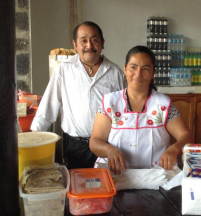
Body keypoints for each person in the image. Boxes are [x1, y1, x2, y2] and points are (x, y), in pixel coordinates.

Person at [31, 21, 124, 169]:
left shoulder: (115, 73)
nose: (89, 45)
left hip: (107, 146)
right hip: (75, 146)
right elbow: (48, 106)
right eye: (83, 41)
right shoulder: (64, 70)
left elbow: (124, 112)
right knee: (77, 186)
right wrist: (33, 137)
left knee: (108, 186)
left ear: (102, 43)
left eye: (94, 40)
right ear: (75, 45)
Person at [90, 45, 193, 175]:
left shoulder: (163, 104)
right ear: (125, 69)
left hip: (155, 177)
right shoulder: (110, 102)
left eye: (145, 69)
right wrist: (109, 150)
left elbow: (186, 136)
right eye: (133, 67)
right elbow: (95, 141)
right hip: (116, 175)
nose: (138, 74)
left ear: (153, 73)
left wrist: (174, 149)